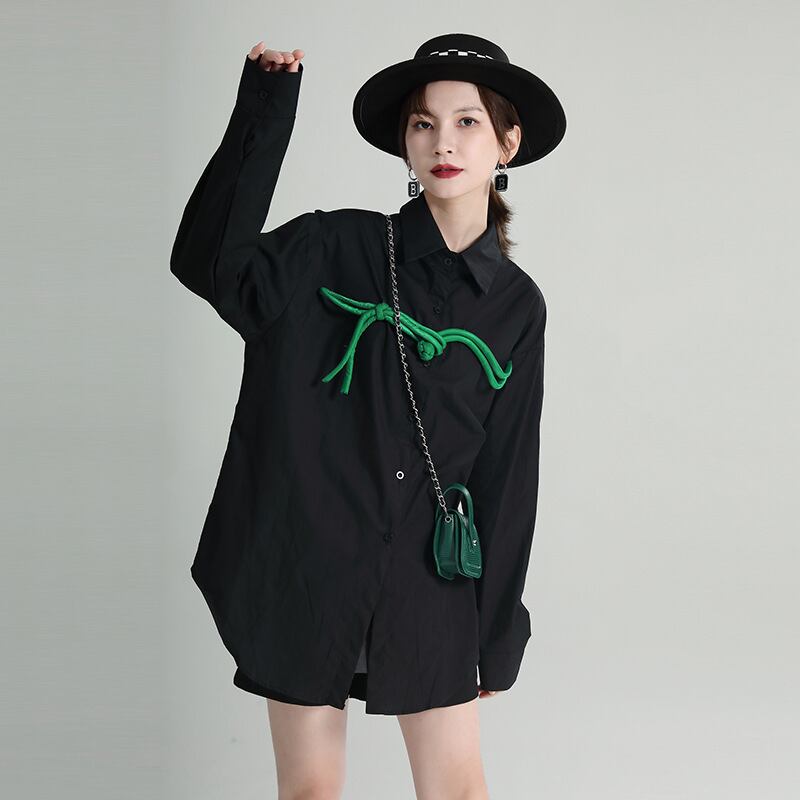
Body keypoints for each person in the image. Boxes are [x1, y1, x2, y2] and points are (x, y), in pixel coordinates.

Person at [170, 32, 566, 799]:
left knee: (457, 790)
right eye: (423, 123)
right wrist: (266, 106)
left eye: (467, 122)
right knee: (311, 791)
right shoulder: (334, 246)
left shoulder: (517, 308)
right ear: (404, 142)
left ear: (507, 142)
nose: (443, 142)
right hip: (309, 569)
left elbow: (507, 477)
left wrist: (497, 634)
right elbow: (210, 263)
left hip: (431, 580)